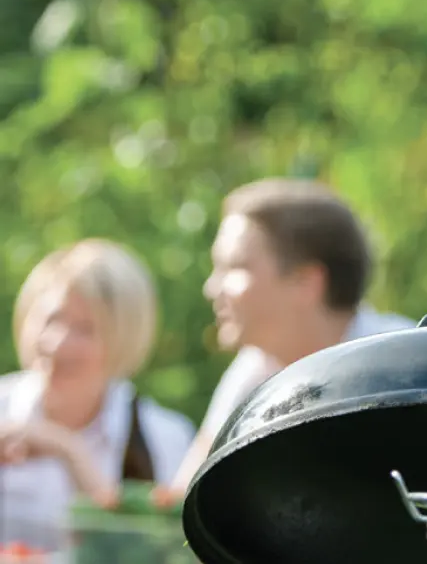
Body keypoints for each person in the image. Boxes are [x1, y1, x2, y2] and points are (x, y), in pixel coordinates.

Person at [164, 178, 412, 499]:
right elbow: (184, 500)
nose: (212, 288)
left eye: (235, 267)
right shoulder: (252, 371)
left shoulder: (403, 366)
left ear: (306, 282)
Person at [0, 240, 195, 550]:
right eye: (51, 319)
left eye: (85, 329)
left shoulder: (163, 438)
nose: (59, 343)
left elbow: (155, 552)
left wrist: (68, 450)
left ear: (123, 339)